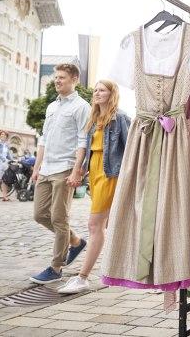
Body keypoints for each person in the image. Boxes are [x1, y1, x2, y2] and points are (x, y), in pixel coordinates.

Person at [58, 80, 130, 294]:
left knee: (94, 225)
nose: (97, 93)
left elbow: (131, 150)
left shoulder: (121, 118)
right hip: (96, 175)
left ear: (112, 93)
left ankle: (82, 277)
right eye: (96, 90)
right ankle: (115, 270)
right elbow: (93, 150)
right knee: (102, 226)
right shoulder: (94, 118)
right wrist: (82, 170)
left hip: (111, 175)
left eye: (102, 90)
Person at [30, 63, 91, 284]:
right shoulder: (51, 107)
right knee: (39, 214)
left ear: (74, 80)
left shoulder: (82, 107)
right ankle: (75, 241)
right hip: (46, 168)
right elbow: (44, 139)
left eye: (62, 77)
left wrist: (77, 171)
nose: (57, 81)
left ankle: (56, 267)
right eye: (56, 77)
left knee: (59, 217)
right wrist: (36, 168)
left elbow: (82, 141)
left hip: (65, 168)